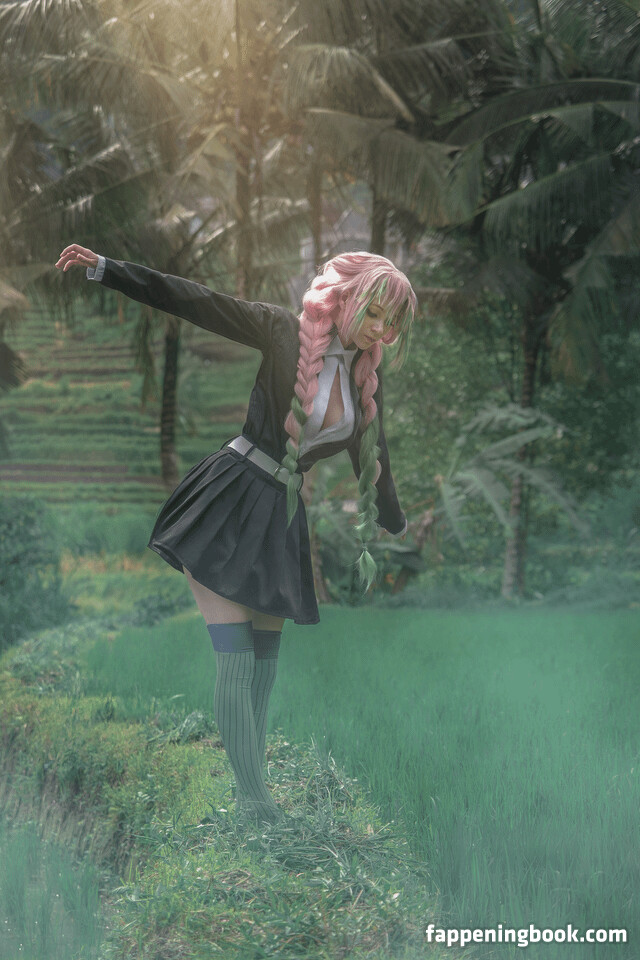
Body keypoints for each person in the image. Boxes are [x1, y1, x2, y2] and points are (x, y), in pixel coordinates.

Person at [55, 243, 416, 825]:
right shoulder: (282, 331)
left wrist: (397, 522)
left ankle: (253, 789)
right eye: (372, 312)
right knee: (237, 661)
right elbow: (195, 301)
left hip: (282, 516)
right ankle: (255, 803)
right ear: (344, 298)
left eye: (389, 321)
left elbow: (375, 462)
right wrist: (106, 269)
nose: (379, 329)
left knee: (265, 667)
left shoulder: (362, 380)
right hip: (230, 499)